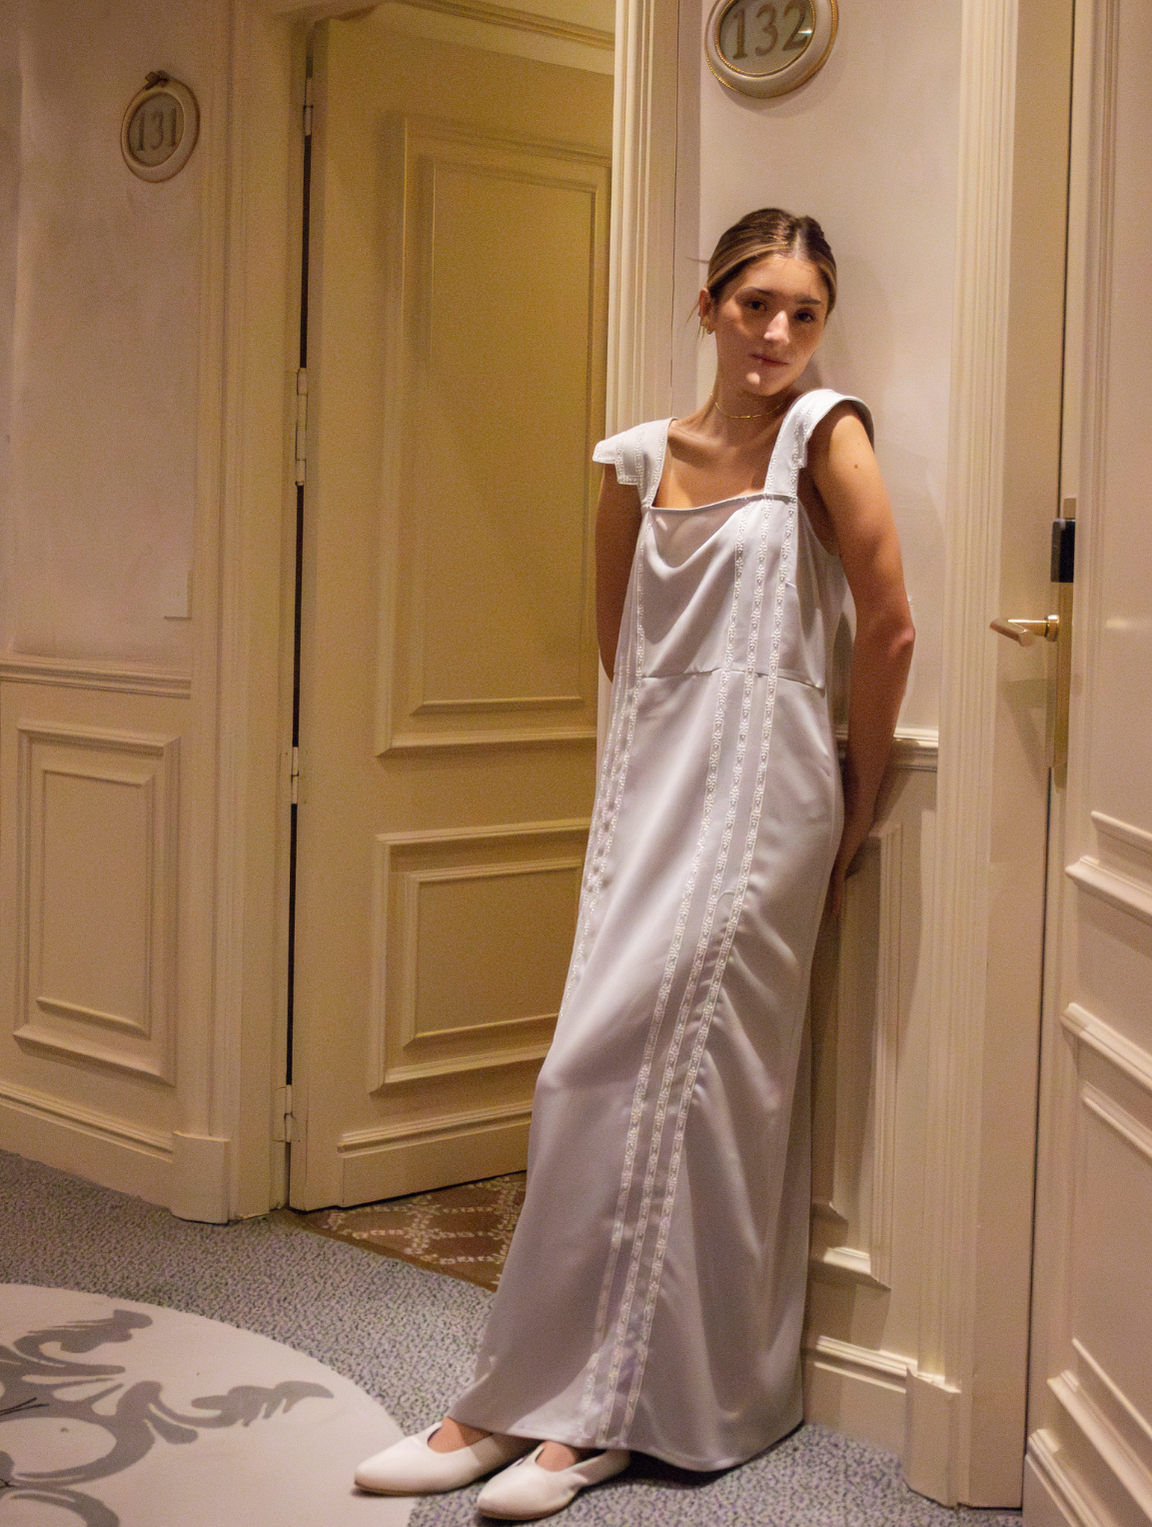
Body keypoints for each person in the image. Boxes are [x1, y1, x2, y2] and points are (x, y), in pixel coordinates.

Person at [353, 208, 915, 1520]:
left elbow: (889, 628)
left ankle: (615, 1411)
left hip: (769, 805)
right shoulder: (635, 458)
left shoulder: (824, 433)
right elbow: (626, 649)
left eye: (804, 312)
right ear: (707, 305)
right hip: (649, 799)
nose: (777, 333)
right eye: (755, 304)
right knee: (585, 1077)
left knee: (693, 1091)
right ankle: (517, 1396)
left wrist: (853, 800)